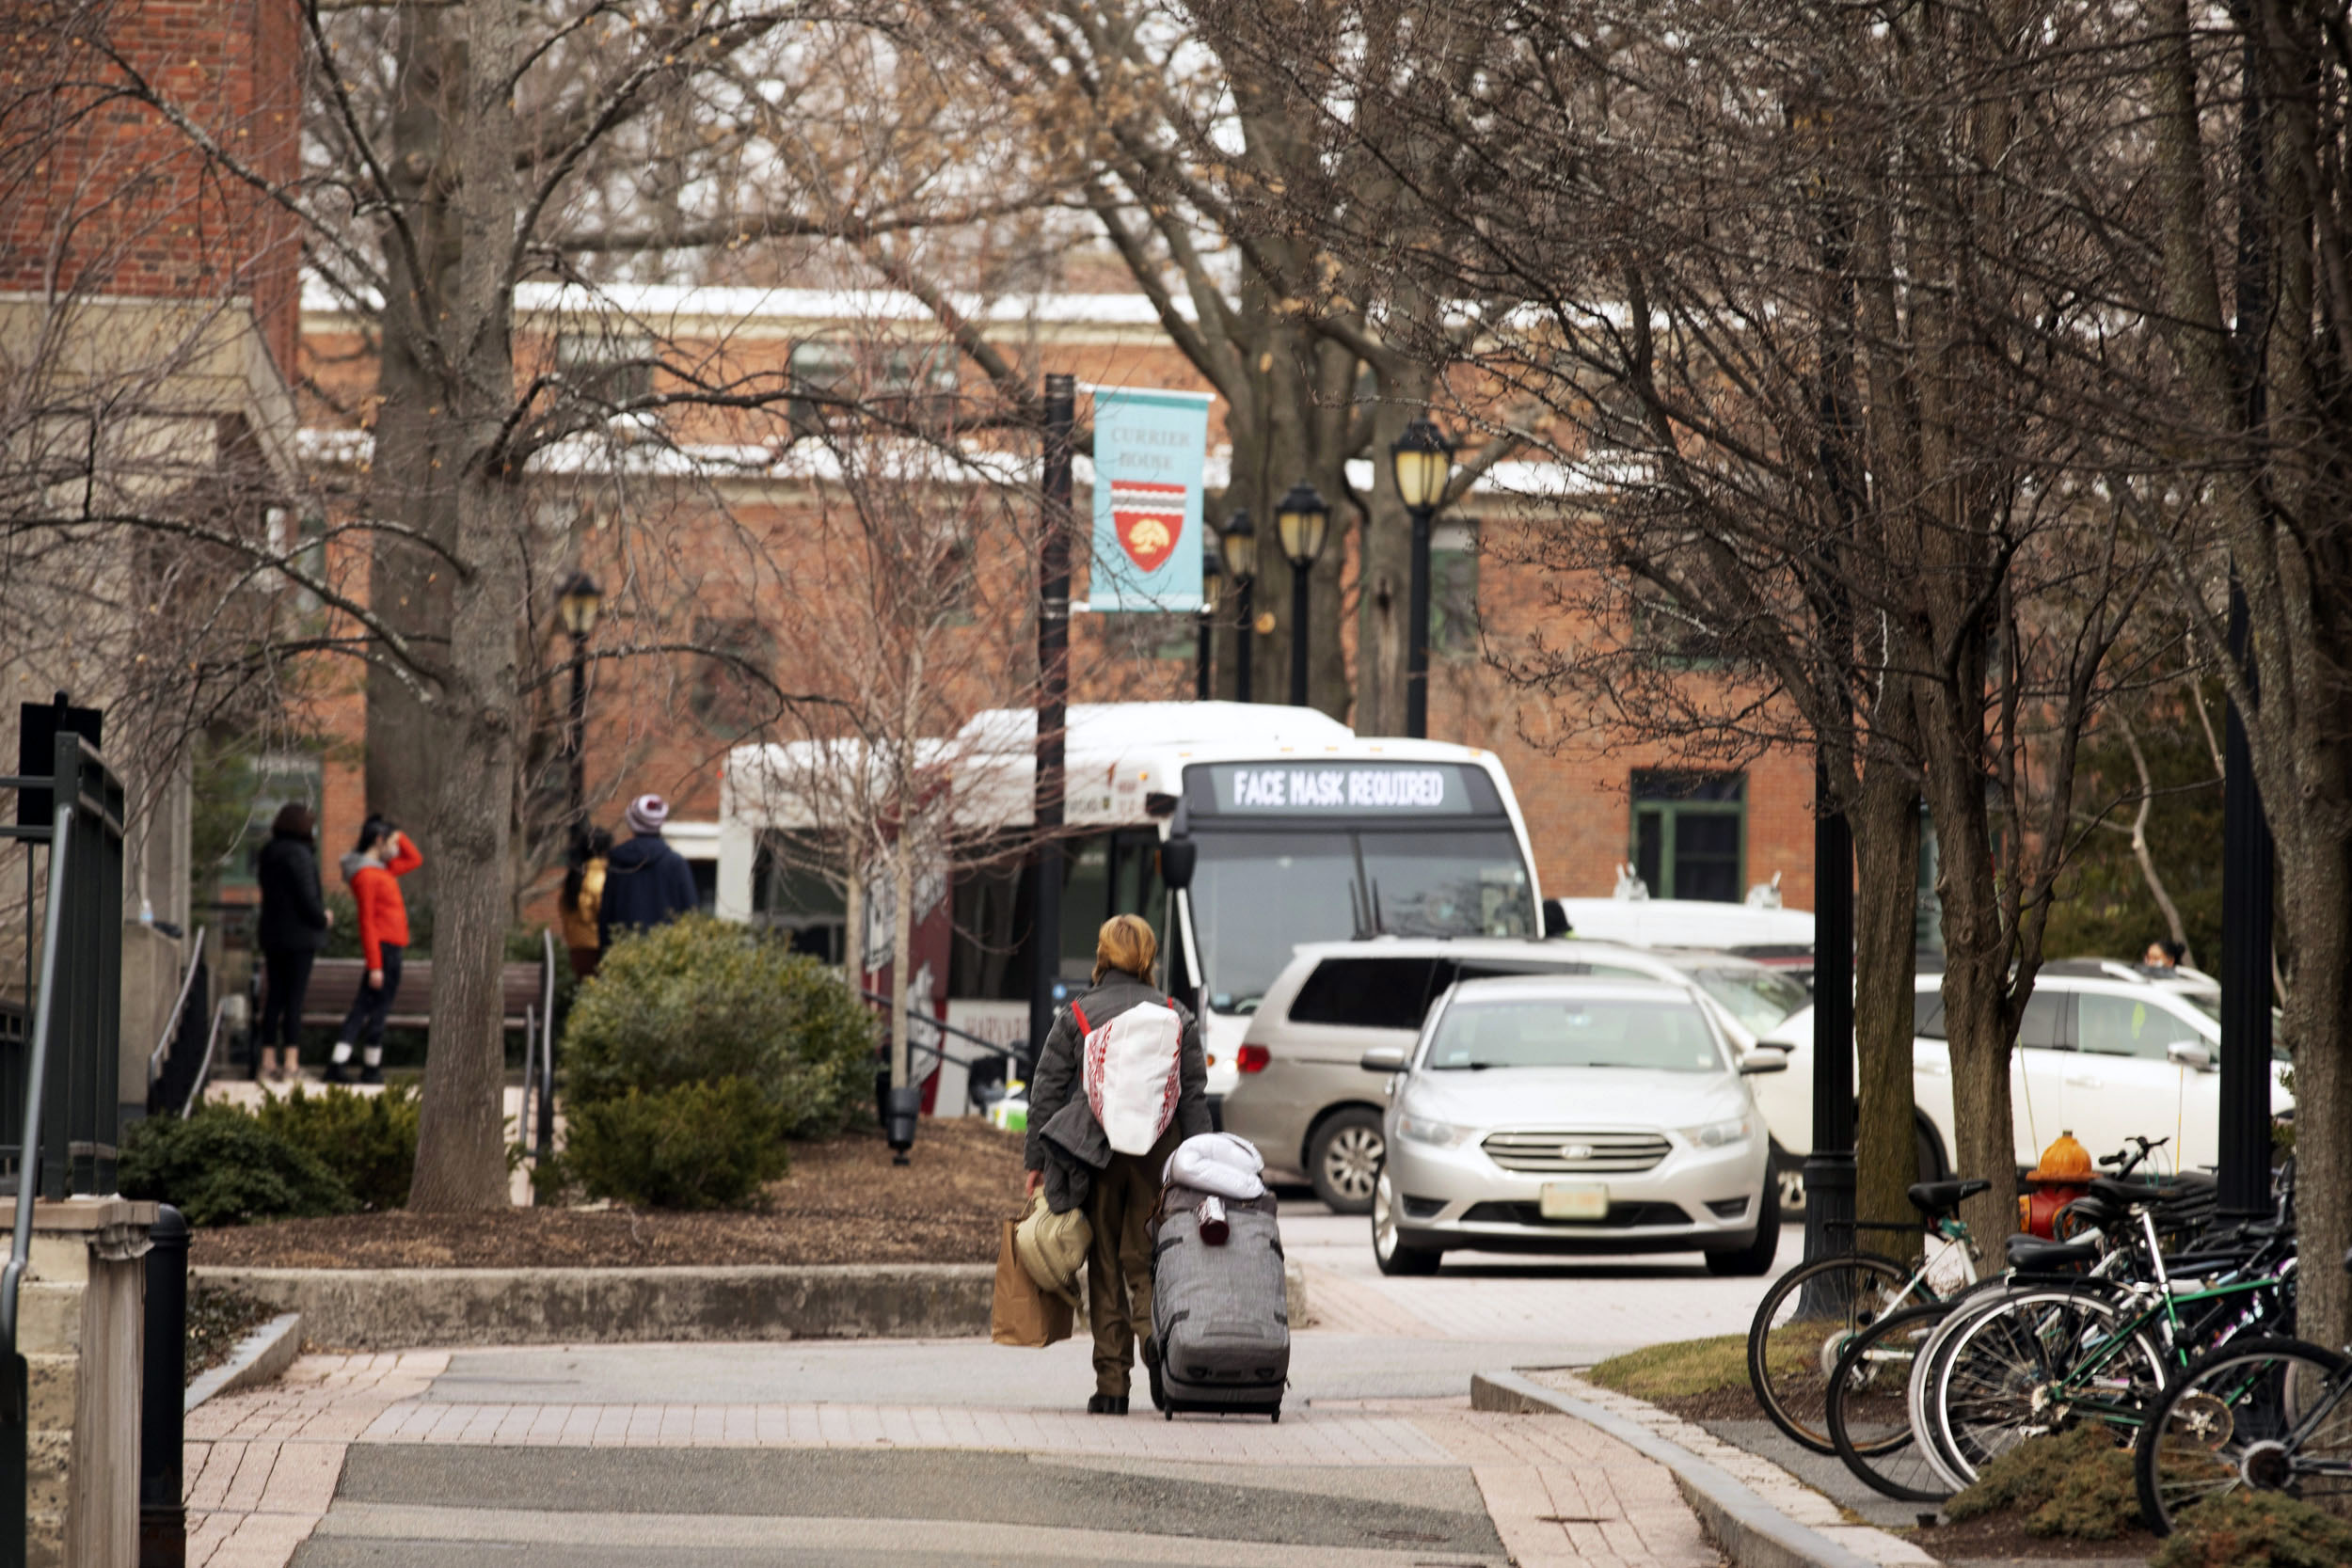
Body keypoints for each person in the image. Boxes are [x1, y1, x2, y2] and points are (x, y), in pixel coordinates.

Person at [1023, 914, 1211, 1415]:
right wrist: (1202, 1165)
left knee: (1105, 1262)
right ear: (1148, 957)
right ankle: (1160, 1350)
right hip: (1160, 1151)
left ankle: (1112, 1387)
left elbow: (1045, 1089)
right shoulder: (1177, 1015)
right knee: (1152, 1258)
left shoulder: (1078, 1015)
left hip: (1096, 1152)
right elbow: (1193, 1096)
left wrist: (1036, 1162)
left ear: (1103, 956)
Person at [329, 816, 422, 1085]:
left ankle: (370, 1067)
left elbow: (415, 859)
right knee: (366, 1007)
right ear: (379, 841)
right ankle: (340, 1064)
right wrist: (375, 964)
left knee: (379, 1007)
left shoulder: (382, 870)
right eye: (392, 843)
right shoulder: (367, 875)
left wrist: (397, 833)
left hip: (392, 947)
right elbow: (367, 922)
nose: (396, 848)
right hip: (382, 950)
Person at [253, 801, 331, 1083]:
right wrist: (324, 918)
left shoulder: (268, 853)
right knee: (294, 1000)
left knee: (274, 997)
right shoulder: (301, 855)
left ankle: (267, 1062)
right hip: (300, 938)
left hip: (272, 935)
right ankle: (291, 1064)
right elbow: (308, 899)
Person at [597, 794, 699, 948]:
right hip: (666, 955)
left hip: (623, 955)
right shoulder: (675, 864)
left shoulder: (617, 862)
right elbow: (691, 913)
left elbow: (606, 915)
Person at [559, 826, 613, 979]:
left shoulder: (573, 877)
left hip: (575, 946)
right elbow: (603, 912)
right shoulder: (600, 878)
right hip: (596, 947)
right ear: (605, 851)